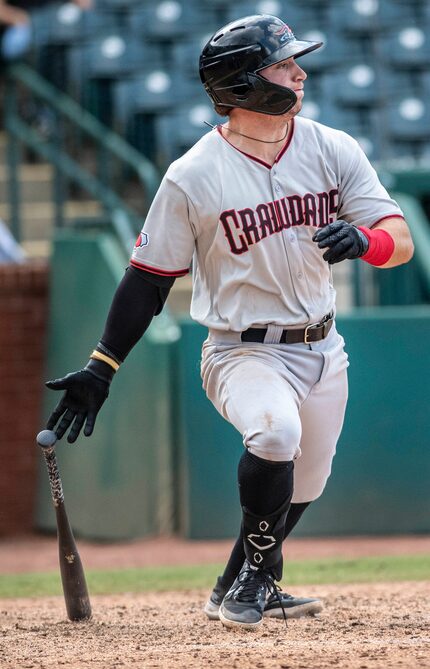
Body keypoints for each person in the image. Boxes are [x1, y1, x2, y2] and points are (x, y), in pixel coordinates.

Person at [45, 14, 414, 631]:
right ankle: (256, 580)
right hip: (242, 351)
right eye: (283, 64)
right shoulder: (193, 174)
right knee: (274, 436)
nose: (299, 71)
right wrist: (102, 364)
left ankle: (234, 581)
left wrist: (367, 240)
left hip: (324, 348)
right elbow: (149, 277)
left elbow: (400, 238)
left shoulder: (333, 147)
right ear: (245, 84)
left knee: (308, 481)